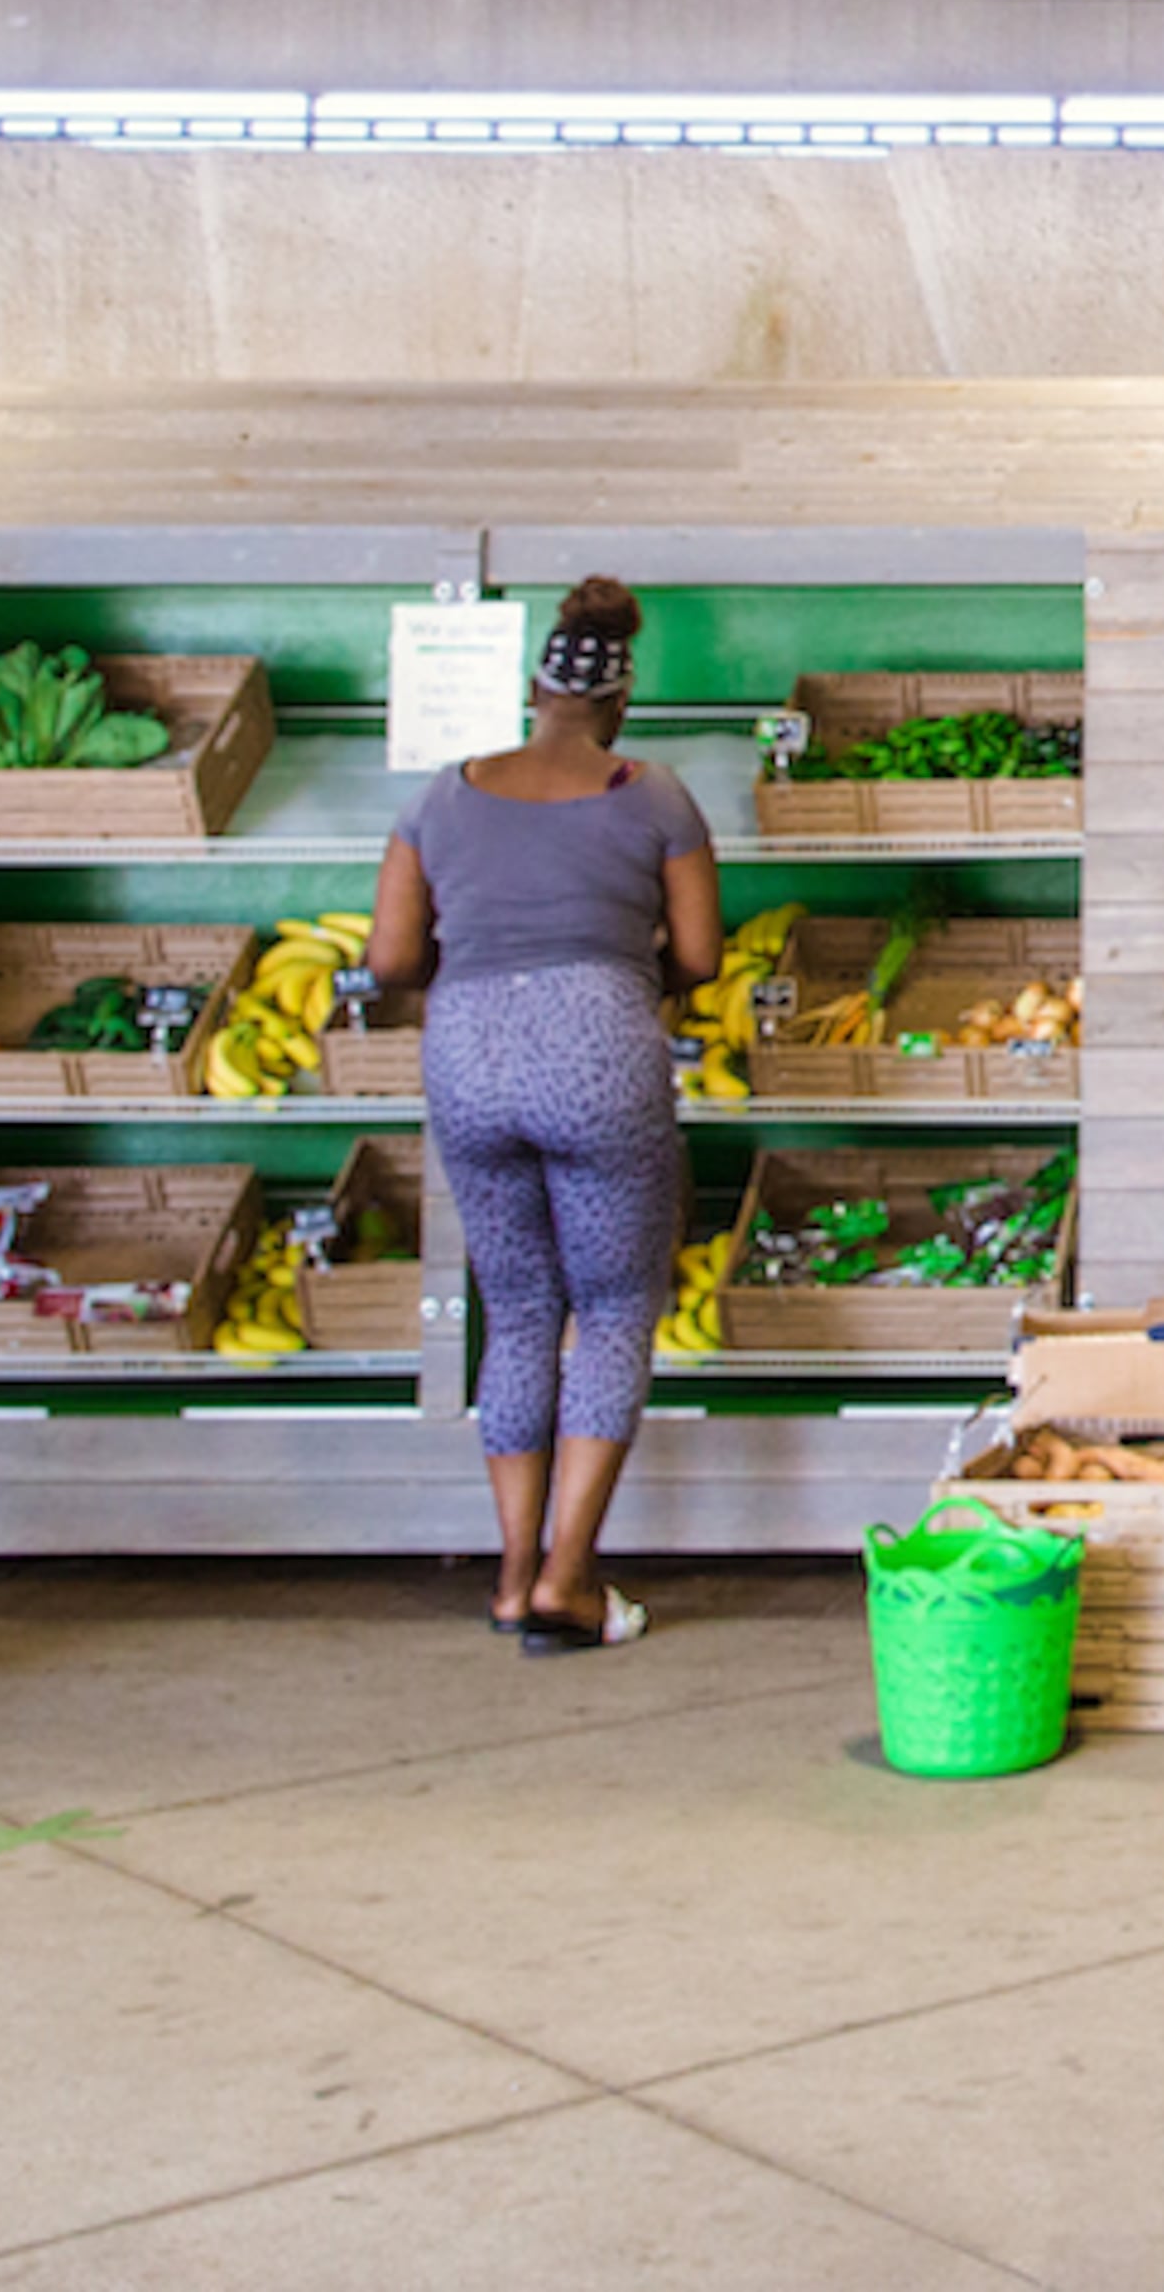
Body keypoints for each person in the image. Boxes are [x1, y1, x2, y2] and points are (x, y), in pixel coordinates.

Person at [369, 576, 722, 1653]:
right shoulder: (652, 793)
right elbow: (700, 957)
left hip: (467, 1050)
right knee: (612, 1309)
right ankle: (573, 1578)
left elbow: (387, 961)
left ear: (534, 689)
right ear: (620, 702)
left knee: (518, 1310)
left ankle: (513, 1574)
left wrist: (473, 961)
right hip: (599, 1048)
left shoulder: (443, 794)